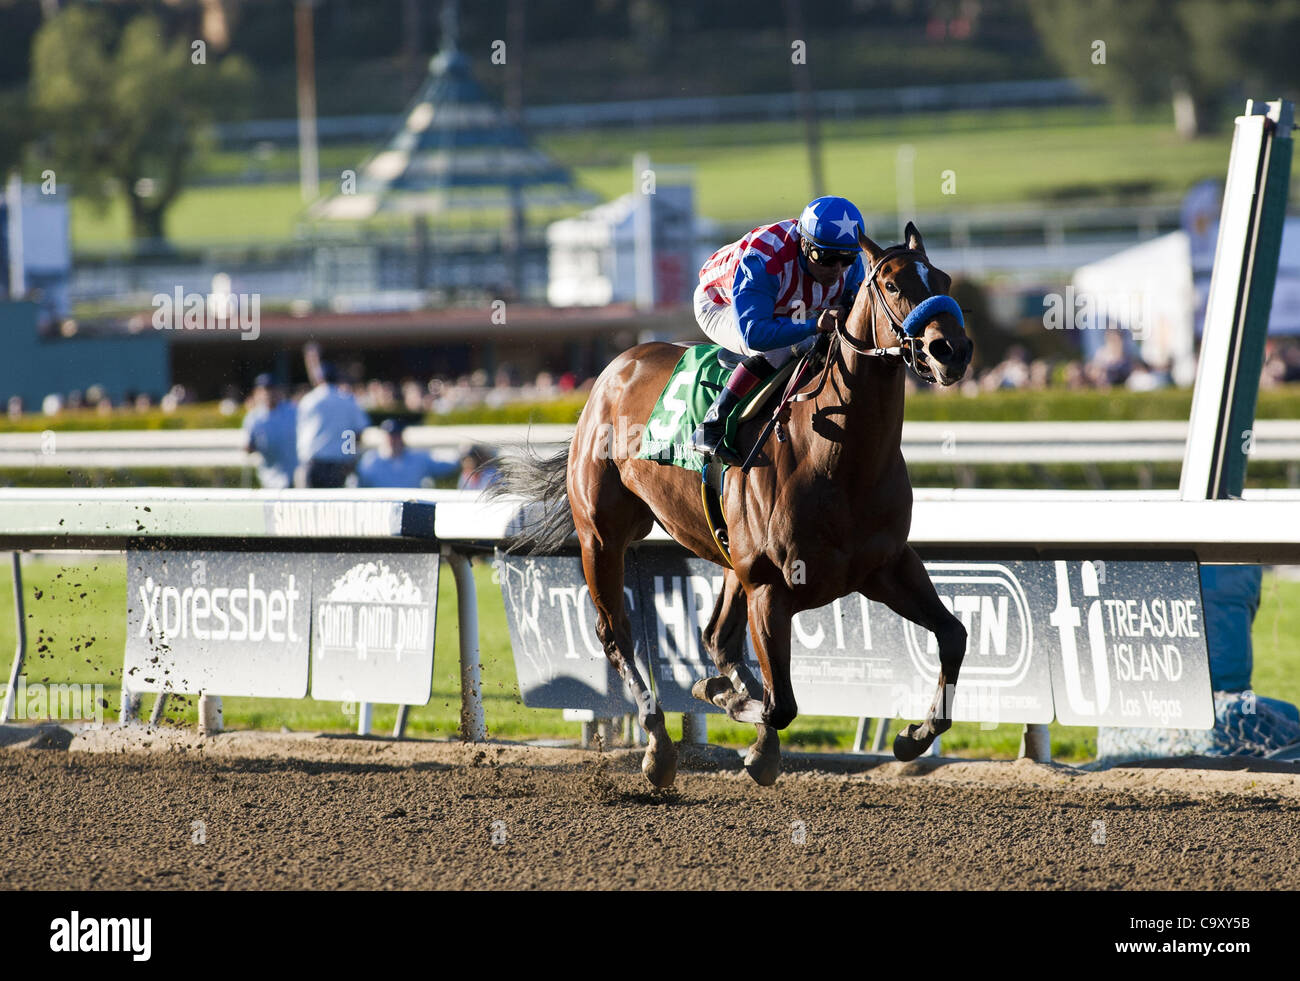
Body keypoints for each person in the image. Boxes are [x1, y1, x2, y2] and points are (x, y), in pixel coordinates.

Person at [688, 195, 868, 464]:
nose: (837, 270)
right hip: (719, 303)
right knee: (777, 349)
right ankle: (712, 424)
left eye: (847, 259)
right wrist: (813, 325)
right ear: (805, 244)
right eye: (827, 258)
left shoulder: (851, 271)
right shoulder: (765, 259)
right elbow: (755, 333)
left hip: (786, 304)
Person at [294, 362, 370, 488]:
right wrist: (349, 455)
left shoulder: (309, 400)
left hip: (313, 463)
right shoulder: (347, 400)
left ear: (319, 378)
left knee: (309, 506)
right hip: (338, 465)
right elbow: (357, 434)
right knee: (336, 507)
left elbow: (299, 431)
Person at [356, 418, 458, 488]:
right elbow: (359, 482)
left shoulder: (417, 459)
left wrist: (461, 457)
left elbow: (443, 465)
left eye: (396, 436)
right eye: (390, 436)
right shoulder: (370, 460)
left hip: (411, 509)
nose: (393, 440)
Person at [242, 373, 298, 489]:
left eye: (271, 389)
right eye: (264, 390)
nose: (268, 394)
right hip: (269, 477)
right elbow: (248, 446)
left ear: (279, 391)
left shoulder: (292, 412)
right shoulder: (253, 417)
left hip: (295, 474)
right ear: (256, 393)